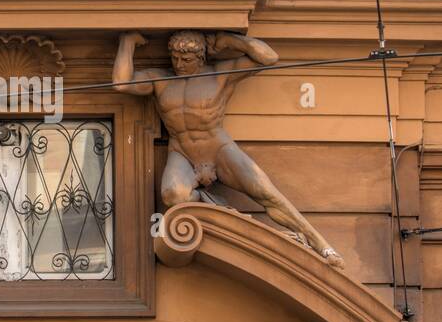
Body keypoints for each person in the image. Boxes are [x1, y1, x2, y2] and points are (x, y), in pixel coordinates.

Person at [113, 28, 344, 268]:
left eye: (187, 59)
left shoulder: (220, 75)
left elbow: (268, 57)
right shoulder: (161, 80)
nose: (180, 64)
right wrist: (127, 41)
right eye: (175, 58)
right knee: (173, 195)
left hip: (217, 147)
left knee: (266, 193)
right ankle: (206, 198)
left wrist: (231, 41)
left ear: (201, 58)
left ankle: (322, 246)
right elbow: (121, 83)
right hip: (181, 151)